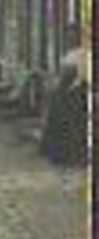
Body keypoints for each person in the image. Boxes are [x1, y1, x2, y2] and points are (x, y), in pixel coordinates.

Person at [41, 25, 90, 167]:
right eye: (68, 36)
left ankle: (71, 156)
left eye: (73, 36)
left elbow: (76, 77)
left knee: (70, 124)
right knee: (57, 122)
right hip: (64, 94)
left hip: (74, 95)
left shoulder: (81, 54)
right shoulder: (69, 54)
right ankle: (60, 155)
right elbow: (62, 76)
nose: (70, 39)